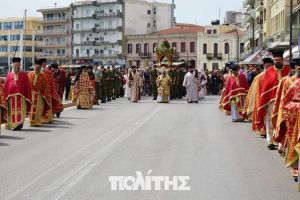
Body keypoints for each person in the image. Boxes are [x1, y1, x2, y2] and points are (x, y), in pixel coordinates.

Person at [257, 50, 290, 150]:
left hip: (285, 101)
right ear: (274, 60)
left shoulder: (288, 70)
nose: (278, 62)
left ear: (283, 60)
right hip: (271, 101)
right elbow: (265, 87)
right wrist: (264, 102)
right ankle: (270, 141)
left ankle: (281, 144)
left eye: (279, 60)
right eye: (276, 60)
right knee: (270, 121)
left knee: (283, 121)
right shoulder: (269, 72)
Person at [4, 57, 31, 130]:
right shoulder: (9, 75)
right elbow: (6, 86)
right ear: (13, 66)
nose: (17, 67)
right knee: (10, 111)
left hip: (21, 97)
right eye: (15, 66)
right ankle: (11, 124)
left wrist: (27, 96)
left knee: (20, 111)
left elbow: (27, 86)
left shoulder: (24, 75)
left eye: (18, 66)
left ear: (20, 66)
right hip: (11, 98)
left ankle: (19, 124)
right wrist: (6, 96)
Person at [27, 59, 51, 127]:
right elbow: (27, 84)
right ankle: (31, 121)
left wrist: (45, 95)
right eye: (36, 68)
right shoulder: (29, 74)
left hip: (40, 95)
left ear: (40, 68)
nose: (37, 69)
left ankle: (37, 121)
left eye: (38, 68)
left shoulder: (43, 75)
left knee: (38, 110)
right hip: (31, 95)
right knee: (31, 110)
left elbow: (46, 86)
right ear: (34, 67)